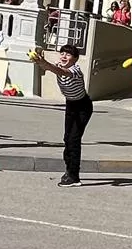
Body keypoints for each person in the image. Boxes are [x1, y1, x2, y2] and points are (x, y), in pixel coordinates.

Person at [31, 43, 91, 187]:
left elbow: (61, 72)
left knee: (74, 140)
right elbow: (50, 67)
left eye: (68, 54)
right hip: (71, 104)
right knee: (67, 138)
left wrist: (44, 63)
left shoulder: (75, 70)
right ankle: (69, 170)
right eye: (62, 53)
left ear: (75, 59)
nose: (64, 56)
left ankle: (74, 176)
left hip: (83, 106)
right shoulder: (59, 64)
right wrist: (39, 59)